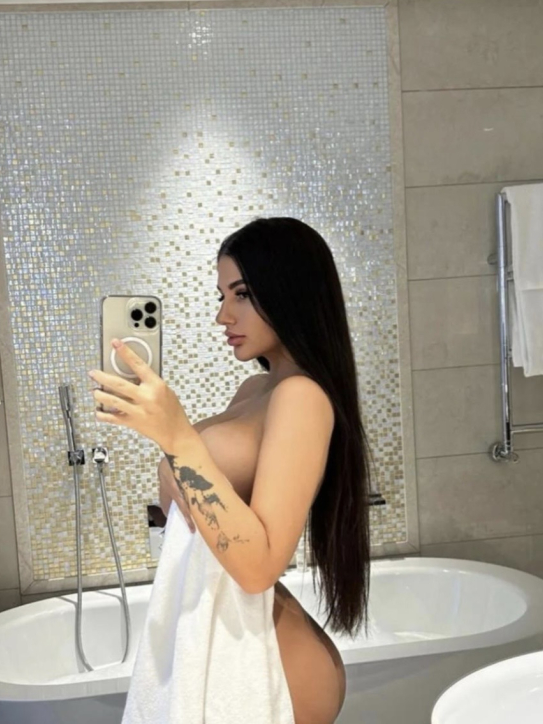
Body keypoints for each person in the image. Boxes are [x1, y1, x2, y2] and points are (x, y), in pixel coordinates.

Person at [90, 217, 372, 724]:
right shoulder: (256, 390)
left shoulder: (301, 397)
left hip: (271, 663)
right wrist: (166, 436)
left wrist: (177, 437)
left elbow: (259, 567)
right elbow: (199, 505)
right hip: (229, 638)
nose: (223, 315)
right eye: (222, 296)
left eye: (241, 294)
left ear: (289, 290)